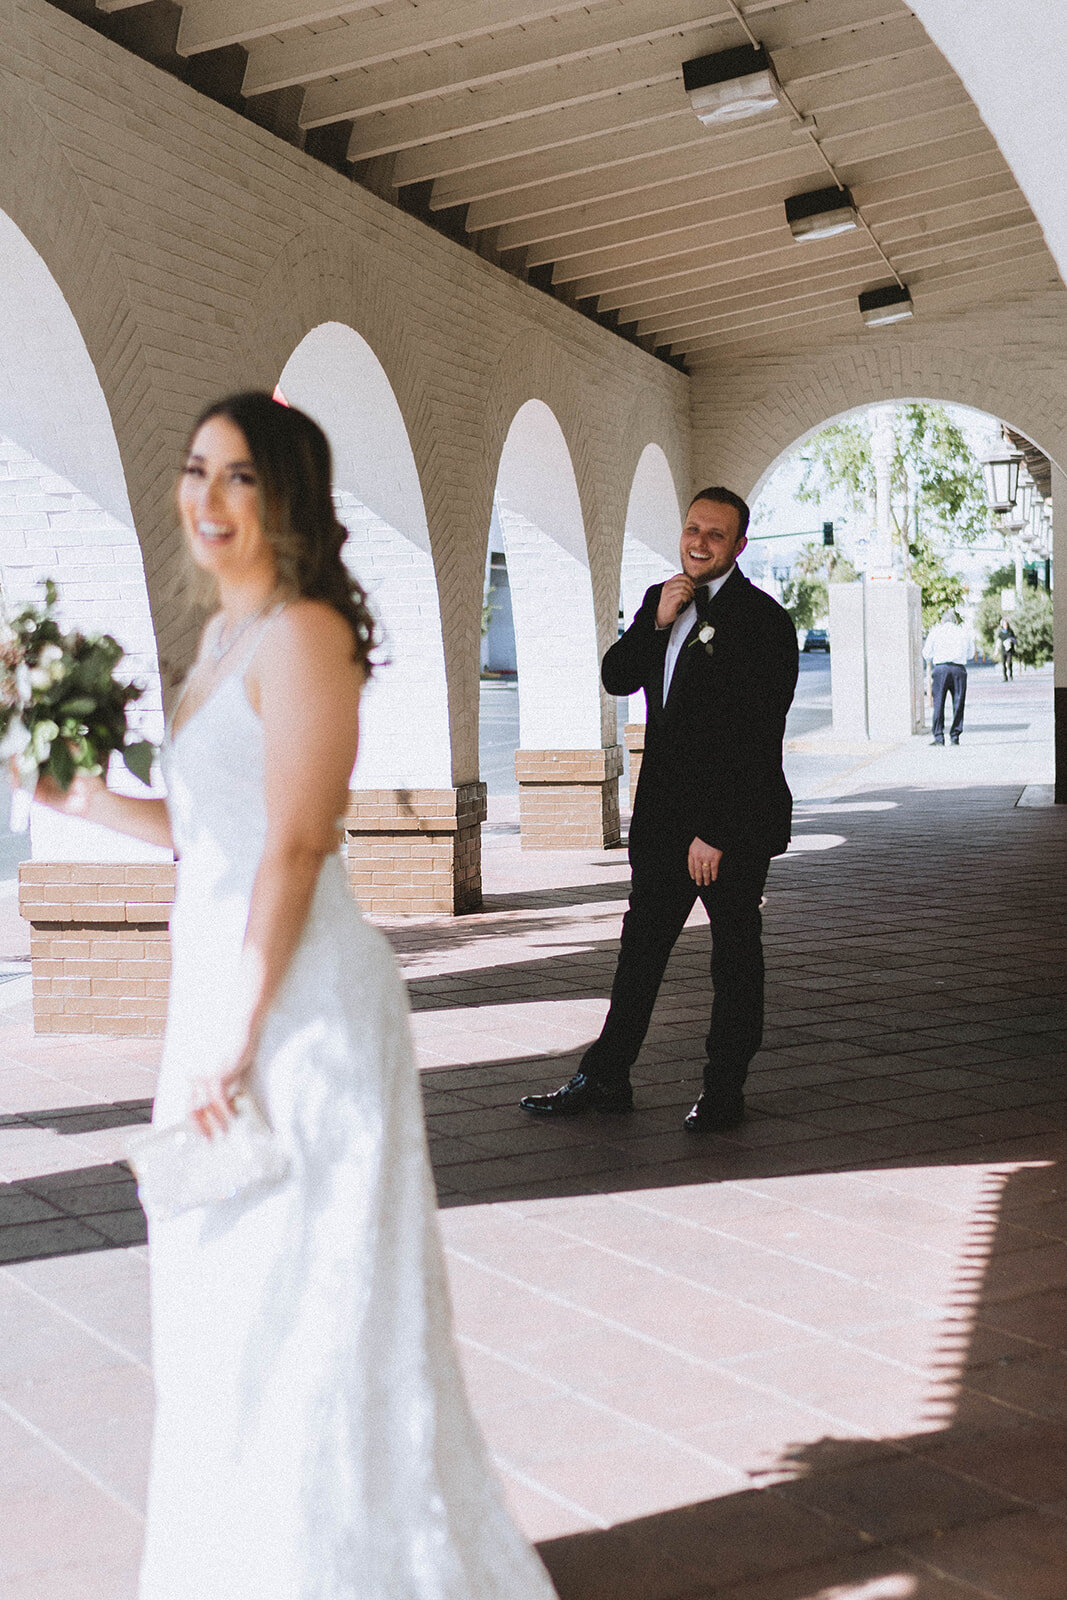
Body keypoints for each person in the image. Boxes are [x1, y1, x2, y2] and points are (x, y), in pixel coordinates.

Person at [36, 393, 557, 1600]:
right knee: (222, 1301)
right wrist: (78, 800)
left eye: (239, 480)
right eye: (195, 472)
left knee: (308, 1304)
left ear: (288, 504)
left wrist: (239, 1028)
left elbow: (297, 844)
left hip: (296, 1005)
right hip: (219, 996)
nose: (207, 501)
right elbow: (211, 835)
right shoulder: (220, 643)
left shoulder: (307, 633)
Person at [520, 487, 798, 1132]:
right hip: (662, 823)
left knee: (733, 956)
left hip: (727, 829)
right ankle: (606, 1077)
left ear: (739, 546)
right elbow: (618, 677)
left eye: (716, 534)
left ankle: (724, 1089)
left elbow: (757, 734)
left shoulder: (764, 621)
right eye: (693, 528)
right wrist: (655, 624)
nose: (699, 542)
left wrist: (716, 832)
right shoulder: (662, 601)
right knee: (640, 953)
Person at [923, 608, 976, 745]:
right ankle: (955, 736)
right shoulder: (963, 632)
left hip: (941, 669)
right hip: (959, 669)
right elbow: (970, 654)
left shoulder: (935, 631)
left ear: (942, 620)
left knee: (938, 703)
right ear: (956, 621)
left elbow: (926, 653)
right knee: (958, 702)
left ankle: (939, 737)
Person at [997, 616, 1017, 681]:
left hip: (1010, 650)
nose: (1006, 625)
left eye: (1006, 624)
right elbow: (998, 642)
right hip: (1003, 650)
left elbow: (1015, 640)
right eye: (1004, 624)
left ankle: (1010, 675)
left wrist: (1011, 640)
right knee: (1003, 663)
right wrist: (996, 651)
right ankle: (1005, 677)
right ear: (1002, 625)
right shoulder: (1001, 633)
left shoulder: (1010, 632)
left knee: (1009, 662)